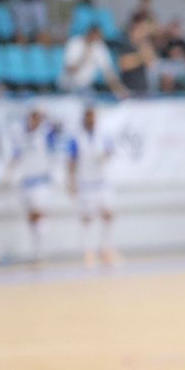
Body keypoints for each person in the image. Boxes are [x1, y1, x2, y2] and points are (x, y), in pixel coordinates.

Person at [68, 104, 118, 267]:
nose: (91, 119)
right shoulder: (77, 137)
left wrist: (105, 155)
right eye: (88, 116)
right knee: (87, 218)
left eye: (93, 116)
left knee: (108, 214)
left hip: (102, 181)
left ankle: (106, 250)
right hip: (86, 182)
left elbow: (110, 151)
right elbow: (71, 162)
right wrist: (71, 182)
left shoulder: (103, 135)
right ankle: (88, 252)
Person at [9, 107, 60, 261]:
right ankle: (36, 248)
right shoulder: (23, 137)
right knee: (31, 216)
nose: (33, 122)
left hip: (41, 181)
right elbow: (16, 156)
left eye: (36, 119)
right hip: (27, 181)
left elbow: (59, 127)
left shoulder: (45, 135)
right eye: (31, 119)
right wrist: (9, 173)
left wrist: (47, 115)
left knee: (39, 214)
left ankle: (42, 249)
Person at [60, 25, 128, 97]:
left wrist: (120, 90)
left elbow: (108, 73)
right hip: (67, 87)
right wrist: (85, 56)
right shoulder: (75, 42)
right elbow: (70, 69)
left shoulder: (99, 47)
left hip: (85, 88)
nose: (95, 39)